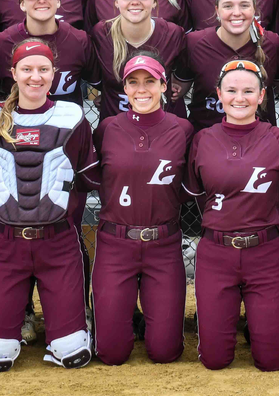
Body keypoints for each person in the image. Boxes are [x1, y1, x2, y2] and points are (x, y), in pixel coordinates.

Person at [0, 39, 100, 372]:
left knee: (72, 352)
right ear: (13, 72)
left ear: (54, 74)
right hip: (6, 240)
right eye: (27, 69)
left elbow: (89, 178)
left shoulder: (71, 116)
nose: (35, 77)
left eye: (43, 69)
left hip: (58, 241)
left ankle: (66, 326)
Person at [183, 60, 279, 371]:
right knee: (214, 360)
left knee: (273, 361)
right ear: (219, 95)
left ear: (262, 95)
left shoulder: (278, 138)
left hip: (265, 251)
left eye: (249, 91)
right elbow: (197, 197)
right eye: (232, 90)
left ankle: (262, 327)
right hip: (216, 252)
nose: (240, 98)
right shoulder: (202, 139)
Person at [91, 54, 194, 365]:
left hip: (163, 244)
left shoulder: (183, 129)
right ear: (124, 88)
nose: (142, 89)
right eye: (133, 82)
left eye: (150, 81)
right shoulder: (107, 128)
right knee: (111, 353)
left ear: (164, 85)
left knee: (165, 352)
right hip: (115, 243)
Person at [173, 0, 279, 132]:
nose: (237, 12)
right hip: (206, 135)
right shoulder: (194, 43)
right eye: (228, 6)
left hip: (259, 138)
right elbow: (177, 89)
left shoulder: (272, 44)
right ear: (217, 10)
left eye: (244, 5)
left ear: (254, 9)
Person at [0, 0, 98, 108]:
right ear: (22, 4)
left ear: (59, 1)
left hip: (66, 124)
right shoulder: (1, 43)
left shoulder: (79, 40)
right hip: (17, 123)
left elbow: (101, 84)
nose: (42, 0)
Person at [91, 0, 186, 121]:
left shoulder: (172, 33)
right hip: (116, 123)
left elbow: (183, 75)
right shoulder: (102, 33)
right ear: (116, 1)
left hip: (165, 123)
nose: (135, 2)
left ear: (154, 1)